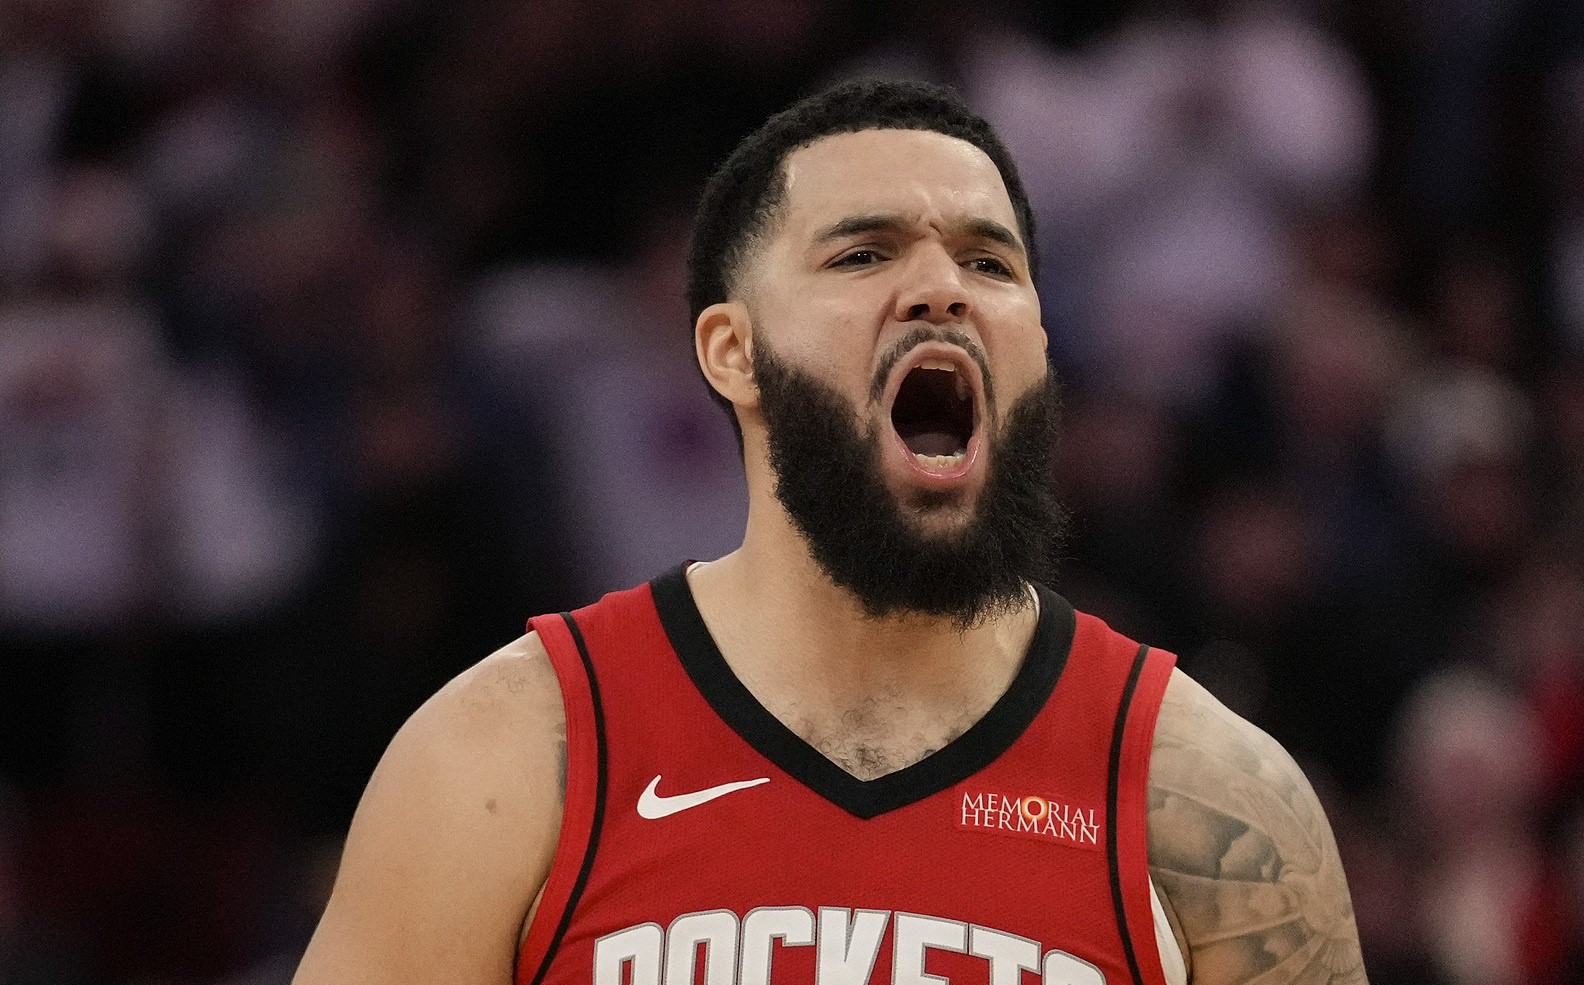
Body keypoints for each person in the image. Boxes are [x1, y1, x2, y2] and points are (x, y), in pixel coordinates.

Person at [291, 78, 1368, 985]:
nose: (941, 288)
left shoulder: (1217, 803)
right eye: (863, 254)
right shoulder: (509, 751)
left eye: (990, 263)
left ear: (1039, 349)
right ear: (733, 351)